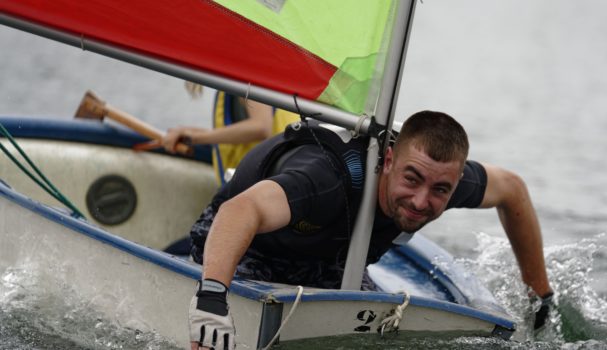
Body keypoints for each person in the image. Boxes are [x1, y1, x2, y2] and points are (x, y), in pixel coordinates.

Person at [187, 111, 554, 350]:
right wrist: (212, 300)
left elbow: (512, 191)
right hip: (247, 245)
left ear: (456, 182)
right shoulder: (327, 179)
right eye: (412, 179)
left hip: (331, 261)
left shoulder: (441, 179)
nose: (421, 201)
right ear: (389, 160)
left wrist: (541, 296)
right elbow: (239, 211)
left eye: (441, 189)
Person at [162, 85, 299, 184]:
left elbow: (261, 126)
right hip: (269, 179)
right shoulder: (234, 75)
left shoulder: (245, 70)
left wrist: (195, 138)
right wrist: (188, 134)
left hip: (271, 182)